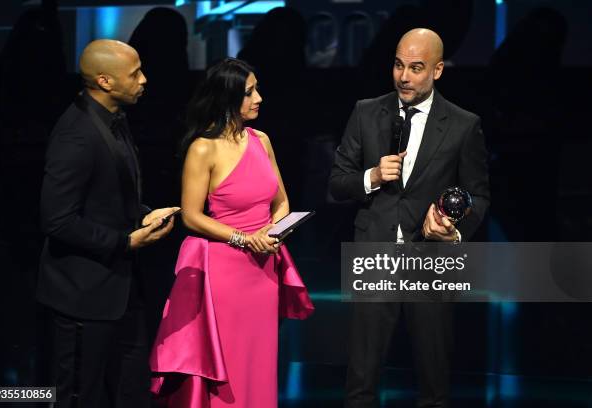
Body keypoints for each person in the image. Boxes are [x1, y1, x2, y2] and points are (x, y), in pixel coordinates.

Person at [329, 29, 490, 407]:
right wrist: (371, 176)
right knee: (361, 378)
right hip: (374, 253)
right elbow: (337, 183)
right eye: (399, 65)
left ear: (437, 70)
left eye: (416, 68)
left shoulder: (464, 124)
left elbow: (478, 195)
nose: (404, 76)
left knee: (434, 380)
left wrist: (454, 230)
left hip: (430, 259)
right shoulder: (367, 112)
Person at [149, 58, 314, 407]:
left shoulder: (262, 140)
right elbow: (191, 216)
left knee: (259, 361)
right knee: (229, 364)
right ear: (226, 98)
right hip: (224, 272)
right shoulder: (203, 148)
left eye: (257, 89)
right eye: (249, 92)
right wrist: (242, 238)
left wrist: (273, 230)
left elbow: (281, 201)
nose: (259, 98)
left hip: (263, 269)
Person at [37, 39, 179, 407]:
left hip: (121, 288)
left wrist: (143, 213)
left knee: (131, 389)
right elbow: (58, 220)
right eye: (135, 74)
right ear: (104, 80)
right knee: (78, 395)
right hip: (83, 295)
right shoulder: (76, 134)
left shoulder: (114, 120)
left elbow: (109, 197)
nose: (145, 80)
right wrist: (125, 242)